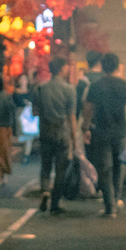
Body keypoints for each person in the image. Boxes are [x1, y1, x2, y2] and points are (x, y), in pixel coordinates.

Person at [82, 52, 126, 218]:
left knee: (104, 169)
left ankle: (110, 207)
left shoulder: (96, 86)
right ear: (117, 66)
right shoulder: (125, 85)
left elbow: (88, 109)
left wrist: (85, 128)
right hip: (120, 133)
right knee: (118, 166)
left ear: (102, 66)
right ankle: (116, 199)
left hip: (101, 132)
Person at [31, 57, 77, 214]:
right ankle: (55, 203)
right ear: (62, 68)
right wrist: (74, 139)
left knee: (45, 165)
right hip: (62, 133)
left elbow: (35, 112)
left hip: (45, 131)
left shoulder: (40, 88)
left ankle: (45, 191)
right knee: (60, 170)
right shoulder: (69, 90)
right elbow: (71, 117)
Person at [0, 74, 16, 186]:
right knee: (4, 152)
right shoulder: (7, 96)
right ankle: (3, 174)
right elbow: (11, 111)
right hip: (5, 127)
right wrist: (14, 129)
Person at [76, 50, 104, 119]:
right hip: (105, 119)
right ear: (99, 63)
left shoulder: (83, 81)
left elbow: (78, 104)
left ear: (87, 63)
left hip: (88, 119)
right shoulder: (105, 80)